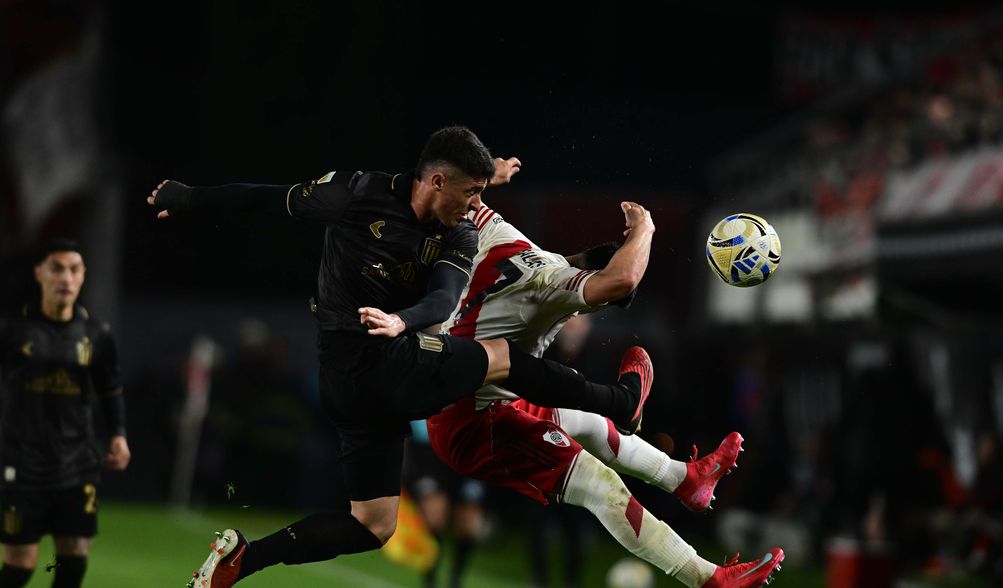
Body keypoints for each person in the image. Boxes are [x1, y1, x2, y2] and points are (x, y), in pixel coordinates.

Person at [148, 126, 652, 587]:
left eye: (481, 192)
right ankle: (619, 400)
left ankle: (246, 558)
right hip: (363, 369)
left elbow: (442, 296)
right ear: (435, 180)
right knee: (500, 355)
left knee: (373, 524)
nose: (477, 204)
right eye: (471, 192)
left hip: (376, 373)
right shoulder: (356, 194)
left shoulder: (458, 232)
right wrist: (190, 197)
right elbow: (270, 198)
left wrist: (401, 321)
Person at [425, 196, 784, 587]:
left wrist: (485, 174)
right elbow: (622, 279)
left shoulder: (511, 239)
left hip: (484, 394)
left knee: (592, 425)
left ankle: (684, 478)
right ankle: (708, 578)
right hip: (476, 421)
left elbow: (466, 199)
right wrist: (644, 228)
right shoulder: (556, 287)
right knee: (602, 487)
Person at [0, 239, 131, 588]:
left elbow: (110, 390)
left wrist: (119, 434)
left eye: (74, 269)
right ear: (40, 274)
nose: (66, 277)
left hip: (78, 463)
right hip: (21, 464)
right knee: (19, 567)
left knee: (73, 562)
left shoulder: (97, 334)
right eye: (57, 268)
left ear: (83, 277)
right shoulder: (10, 329)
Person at [402, 419, 485, 588]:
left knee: (469, 527)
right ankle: (430, 580)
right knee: (434, 518)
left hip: (468, 451)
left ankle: (456, 580)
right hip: (429, 447)